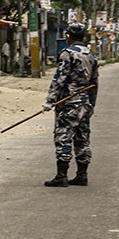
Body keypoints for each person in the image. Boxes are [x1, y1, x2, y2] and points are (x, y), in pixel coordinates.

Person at [42, 22, 99, 187]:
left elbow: (59, 79)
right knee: (82, 138)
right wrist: (92, 104)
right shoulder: (91, 54)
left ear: (68, 35)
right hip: (85, 103)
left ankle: (61, 176)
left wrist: (49, 101)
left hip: (69, 103)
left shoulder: (67, 54)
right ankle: (82, 175)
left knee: (63, 136)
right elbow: (95, 82)